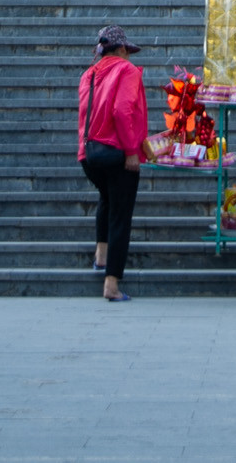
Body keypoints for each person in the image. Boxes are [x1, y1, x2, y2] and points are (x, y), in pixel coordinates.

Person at [76, 23, 148, 302]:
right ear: (119, 50)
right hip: (118, 153)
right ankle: (112, 284)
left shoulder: (88, 74)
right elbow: (120, 110)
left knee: (106, 199)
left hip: (90, 155)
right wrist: (132, 151)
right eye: (126, 51)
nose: (129, 56)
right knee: (121, 214)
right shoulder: (126, 70)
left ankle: (101, 255)